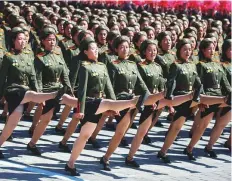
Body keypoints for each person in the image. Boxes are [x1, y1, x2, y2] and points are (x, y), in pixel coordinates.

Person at [63, 37, 142, 176]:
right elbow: (81, 90)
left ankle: (70, 164)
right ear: (86, 52)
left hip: (99, 103)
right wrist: (79, 110)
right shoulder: (84, 67)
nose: (96, 51)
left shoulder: (102, 66)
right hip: (89, 102)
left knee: (84, 136)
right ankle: (134, 101)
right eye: (92, 49)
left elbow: (109, 87)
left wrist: (114, 106)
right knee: (105, 104)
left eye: (96, 48)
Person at [125, 39, 196, 166]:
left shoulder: (158, 67)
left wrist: (166, 102)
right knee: (141, 131)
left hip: (158, 100)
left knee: (176, 127)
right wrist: (151, 99)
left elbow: (162, 85)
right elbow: (140, 86)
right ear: (144, 52)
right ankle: (130, 157)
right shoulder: (140, 66)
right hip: (146, 101)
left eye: (154, 50)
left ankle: (163, 152)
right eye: (149, 50)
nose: (153, 52)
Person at [0, 27, 63, 158]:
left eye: (24, 39)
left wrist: (39, 93)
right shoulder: (8, 57)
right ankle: (54, 94)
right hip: (13, 91)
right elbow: (2, 78)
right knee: (30, 96)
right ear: (13, 40)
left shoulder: (29, 57)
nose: (22, 41)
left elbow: (33, 77)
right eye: (19, 39)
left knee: (12, 124)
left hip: (25, 91)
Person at [26, 27, 71, 156]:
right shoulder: (40, 58)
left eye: (53, 40)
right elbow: (37, 78)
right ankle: (32, 143)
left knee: (75, 107)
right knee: (45, 120)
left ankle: (64, 141)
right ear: (43, 41)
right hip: (47, 92)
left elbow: (65, 75)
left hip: (59, 91)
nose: (52, 42)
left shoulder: (58, 56)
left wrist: (70, 90)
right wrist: (39, 97)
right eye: (49, 40)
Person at [157, 39, 203, 163]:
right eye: (184, 50)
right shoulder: (176, 65)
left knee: (177, 127)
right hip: (180, 98)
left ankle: (165, 150)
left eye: (189, 49)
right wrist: (170, 99)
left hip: (191, 99)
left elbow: (198, 82)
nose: (187, 52)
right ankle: (163, 152)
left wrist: (197, 97)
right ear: (179, 51)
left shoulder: (192, 64)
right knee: (176, 127)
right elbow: (171, 82)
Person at [184, 38, 231, 159]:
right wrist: (201, 100)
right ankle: (189, 148)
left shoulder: (217, 64)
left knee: (222, 124)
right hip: (208, 99)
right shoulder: (200, 65)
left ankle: (209, 147)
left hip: (220, 97)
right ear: (203, 50)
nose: (211, 50)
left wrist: (230, 93)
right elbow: (198, 83)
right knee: (202, 127)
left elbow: (225, 82)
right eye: (209, 48)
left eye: (213, 48)